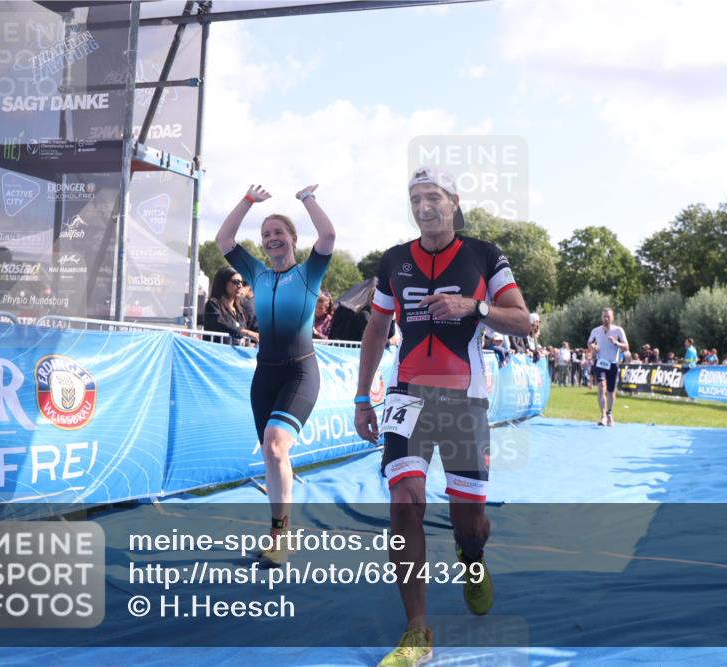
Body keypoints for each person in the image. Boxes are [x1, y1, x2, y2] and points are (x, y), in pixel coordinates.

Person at [353, 167, 530, 667]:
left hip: (463, 399)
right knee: (404, 500)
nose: (423, 206)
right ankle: (418, 631)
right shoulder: (394, 260)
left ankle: (472, 558)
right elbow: (376, 328)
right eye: (415, 198)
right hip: (406, 394)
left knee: (468, 523)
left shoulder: (484, 255)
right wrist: (362, 397)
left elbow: (522, 319)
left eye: (433, 197)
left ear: (453, 201)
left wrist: (472, 306)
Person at [214, 182, 335, 567]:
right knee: (272, 455)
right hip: (264, 376)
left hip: (300, 373)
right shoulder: (257, 275)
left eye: (278, 232)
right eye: (266, 235)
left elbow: (329, 234)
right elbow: (224, 238)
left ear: (293, 239)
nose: (271, 239)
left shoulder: (309, 273)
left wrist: (306, 199)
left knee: (276, 445)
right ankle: (282, 527)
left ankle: (280, 535)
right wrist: (248, 200)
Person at [587, 307, 629, 426]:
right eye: (604, 316)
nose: (606, 319)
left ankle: (610, 413)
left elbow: (626, 347)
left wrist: (616, 342)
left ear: (612, 318)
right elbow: (589, 342)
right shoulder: (596, 330)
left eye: (608, 317)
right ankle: (603, 416)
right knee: (601, 386)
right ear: (601, 317)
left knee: (611, 391)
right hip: (600, 362)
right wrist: (593, 348)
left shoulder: (618, 330)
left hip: (612, 364)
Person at [204, 267, 259, 345]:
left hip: (235, 357)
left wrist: (252, 342)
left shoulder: (241, 308)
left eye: (241, 282)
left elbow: (254, 327)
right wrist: (245, 332)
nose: (240, 285)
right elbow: (221, 324)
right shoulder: (212, 305)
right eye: (236, 282)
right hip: (217, 354)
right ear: (223, 283)